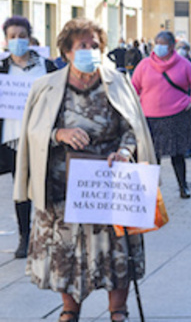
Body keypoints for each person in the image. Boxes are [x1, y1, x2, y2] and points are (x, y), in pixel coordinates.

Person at [13, 18, 156, 322]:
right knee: (67, 251)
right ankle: (69, 310)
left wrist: (124, 151)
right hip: (62, 188)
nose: (89, 50)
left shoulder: (118, 82)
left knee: (115, 250)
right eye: (82, 46)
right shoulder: (46, 86)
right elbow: (32, 131)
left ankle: (118, 311)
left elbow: (133, 129)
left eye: (94, 45)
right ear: (66, 51)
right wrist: (58, 134)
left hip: (107, 183)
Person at [1, 16, 57, 259]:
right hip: (11, 139)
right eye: (12, 36)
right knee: (20, 188)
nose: (17, 41)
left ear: (30, 38)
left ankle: (46, 235)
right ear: (5, 39)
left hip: (41, 137)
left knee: (42, 186)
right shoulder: (2, 68)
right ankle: (25, 236)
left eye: (21, 36)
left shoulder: (46, 67)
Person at [132, 31, 191, 199]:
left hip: (176, 115)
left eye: (162, 43)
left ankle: (183, 187)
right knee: (152, 156)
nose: (158, 47)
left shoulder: (183, 64)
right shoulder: (144, 65)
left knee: (177, 154)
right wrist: (133, 107)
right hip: (150, 117)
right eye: (156, 43)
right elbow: (134, 86)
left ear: (172, 46)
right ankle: (150, 191)